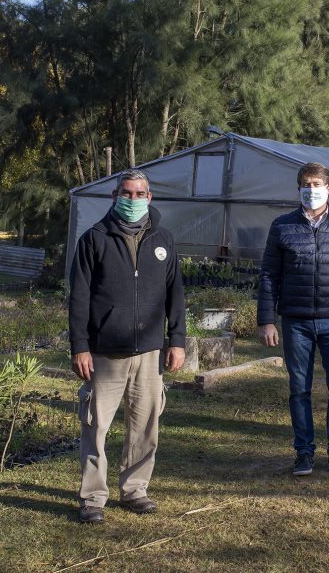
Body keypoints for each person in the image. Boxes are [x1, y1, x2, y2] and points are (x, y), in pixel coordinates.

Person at [68, 169, 186, 523]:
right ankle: (92, 497)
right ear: (114, 196)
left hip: (149, 352)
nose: (132, 199)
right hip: (105, 351)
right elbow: (78, 299)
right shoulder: (94, 239)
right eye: (126, 193)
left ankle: (135, 489)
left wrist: (176, 341)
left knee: (145, 424)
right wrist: (80, 346)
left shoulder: (163, 239)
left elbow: (175, 294)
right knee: (96, 425)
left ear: (149, 198)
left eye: (139, 194)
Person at [258, 162, 329, 476]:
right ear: (299, 188)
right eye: (306, 184)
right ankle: (304, 453)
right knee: (299, 389)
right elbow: (269, 275)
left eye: (316, 184)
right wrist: (266, 319)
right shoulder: (282, 226)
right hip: (295, 322)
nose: (311, 190)